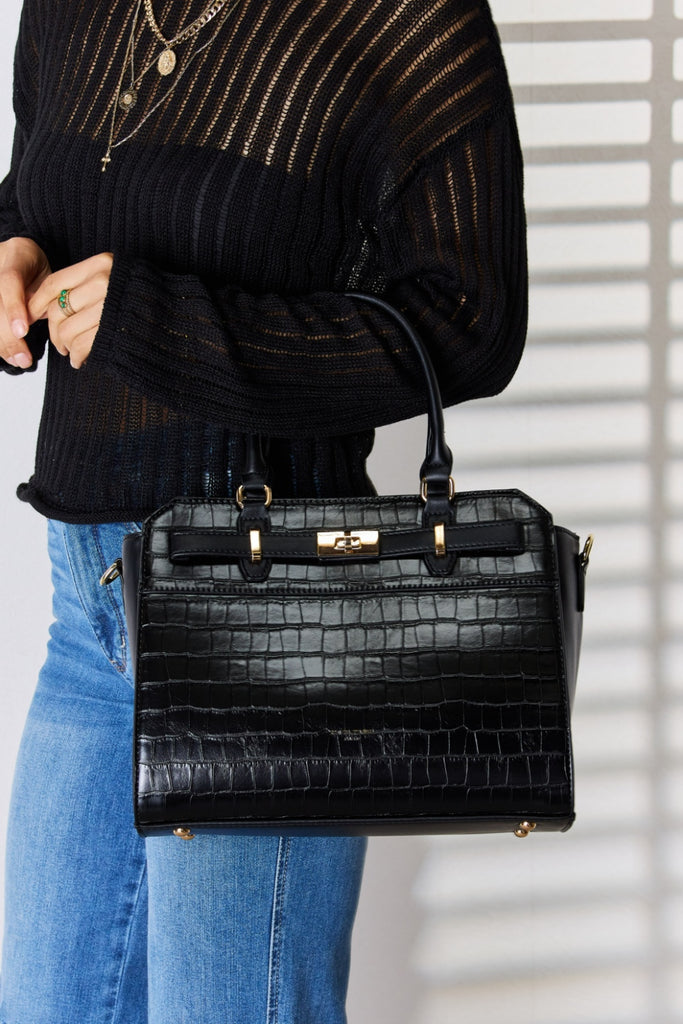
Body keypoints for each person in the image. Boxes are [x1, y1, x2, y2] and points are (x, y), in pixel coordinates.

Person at [0, 0, 527, 1021]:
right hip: (88, 615)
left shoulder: (408, 19)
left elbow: (471, 320)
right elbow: (40, 186)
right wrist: (13, 249)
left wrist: (164, 326)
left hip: (266, 632)